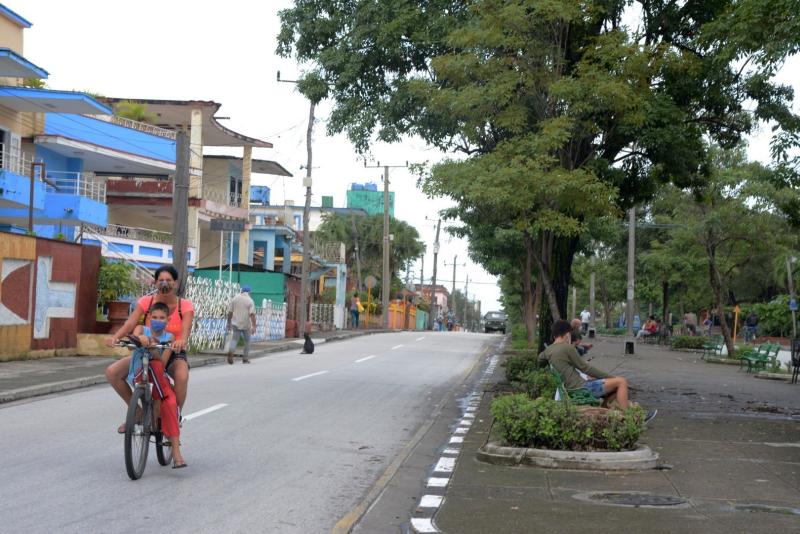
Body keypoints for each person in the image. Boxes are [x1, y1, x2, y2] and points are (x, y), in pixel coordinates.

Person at [106, 264, 194, 434]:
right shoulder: (147, 302)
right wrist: (116, 337)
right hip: (147, 350)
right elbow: (131, 323)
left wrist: (181, 341)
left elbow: (186, 329)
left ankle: (174, 417)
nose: (164, 283)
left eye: (168, 280)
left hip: (172, 349)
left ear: (175, 283)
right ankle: (137, 413)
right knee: (112, 372)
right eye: (161, 280)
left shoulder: (185, 305)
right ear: (155, 283)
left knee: (182, 376)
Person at [540, 319, 657, 422]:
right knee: (621, 382)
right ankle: (631, 419)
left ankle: (613, 417)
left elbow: (540, 358)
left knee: (613, 389)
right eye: (569, 333)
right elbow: (586, 368)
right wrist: (609, 377)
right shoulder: (567, 348)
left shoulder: (548, 351)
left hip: (571, 388)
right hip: (581, 388)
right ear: (566, 334)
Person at [130, 302, 186, 468]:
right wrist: (141, 339)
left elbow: (162, 362)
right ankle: (139, 415)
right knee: (164, 397)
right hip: (141, 374)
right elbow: (135, 336)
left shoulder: (169, 338)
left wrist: (155, 350)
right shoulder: (141, 329)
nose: (157, 321)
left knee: (170, 403)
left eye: (162, 318)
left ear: (167, 320)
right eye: (154, 317)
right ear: (149, 318)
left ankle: (176, 453)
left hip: (158, 376)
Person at [227, 285, 256, 364]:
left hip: (235, 323)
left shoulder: (235, 298)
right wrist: (254, 326)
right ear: (249, 292)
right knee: (247, 341)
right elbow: (252, 314)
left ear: (242, 291)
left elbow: (230, 312)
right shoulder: (250, 301)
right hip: (246, 324)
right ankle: (245, 358)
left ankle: (231, 351)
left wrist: (228, 322)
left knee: (234, 339)